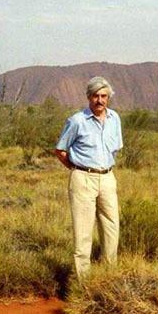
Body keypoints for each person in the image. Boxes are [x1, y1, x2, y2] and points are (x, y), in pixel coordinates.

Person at [54, 76, 123, 278]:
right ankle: (84, 283)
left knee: (111, 227)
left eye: (103, 96)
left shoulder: (114, 119)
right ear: (88, 97)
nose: (99, 100)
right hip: (83, 177)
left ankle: (108, 277)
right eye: (95, 96)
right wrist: (76, 169)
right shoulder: (77, 121)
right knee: (83, 232)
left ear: (108, 97)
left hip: (108, 177)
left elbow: (116, 148)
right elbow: (60, 150)